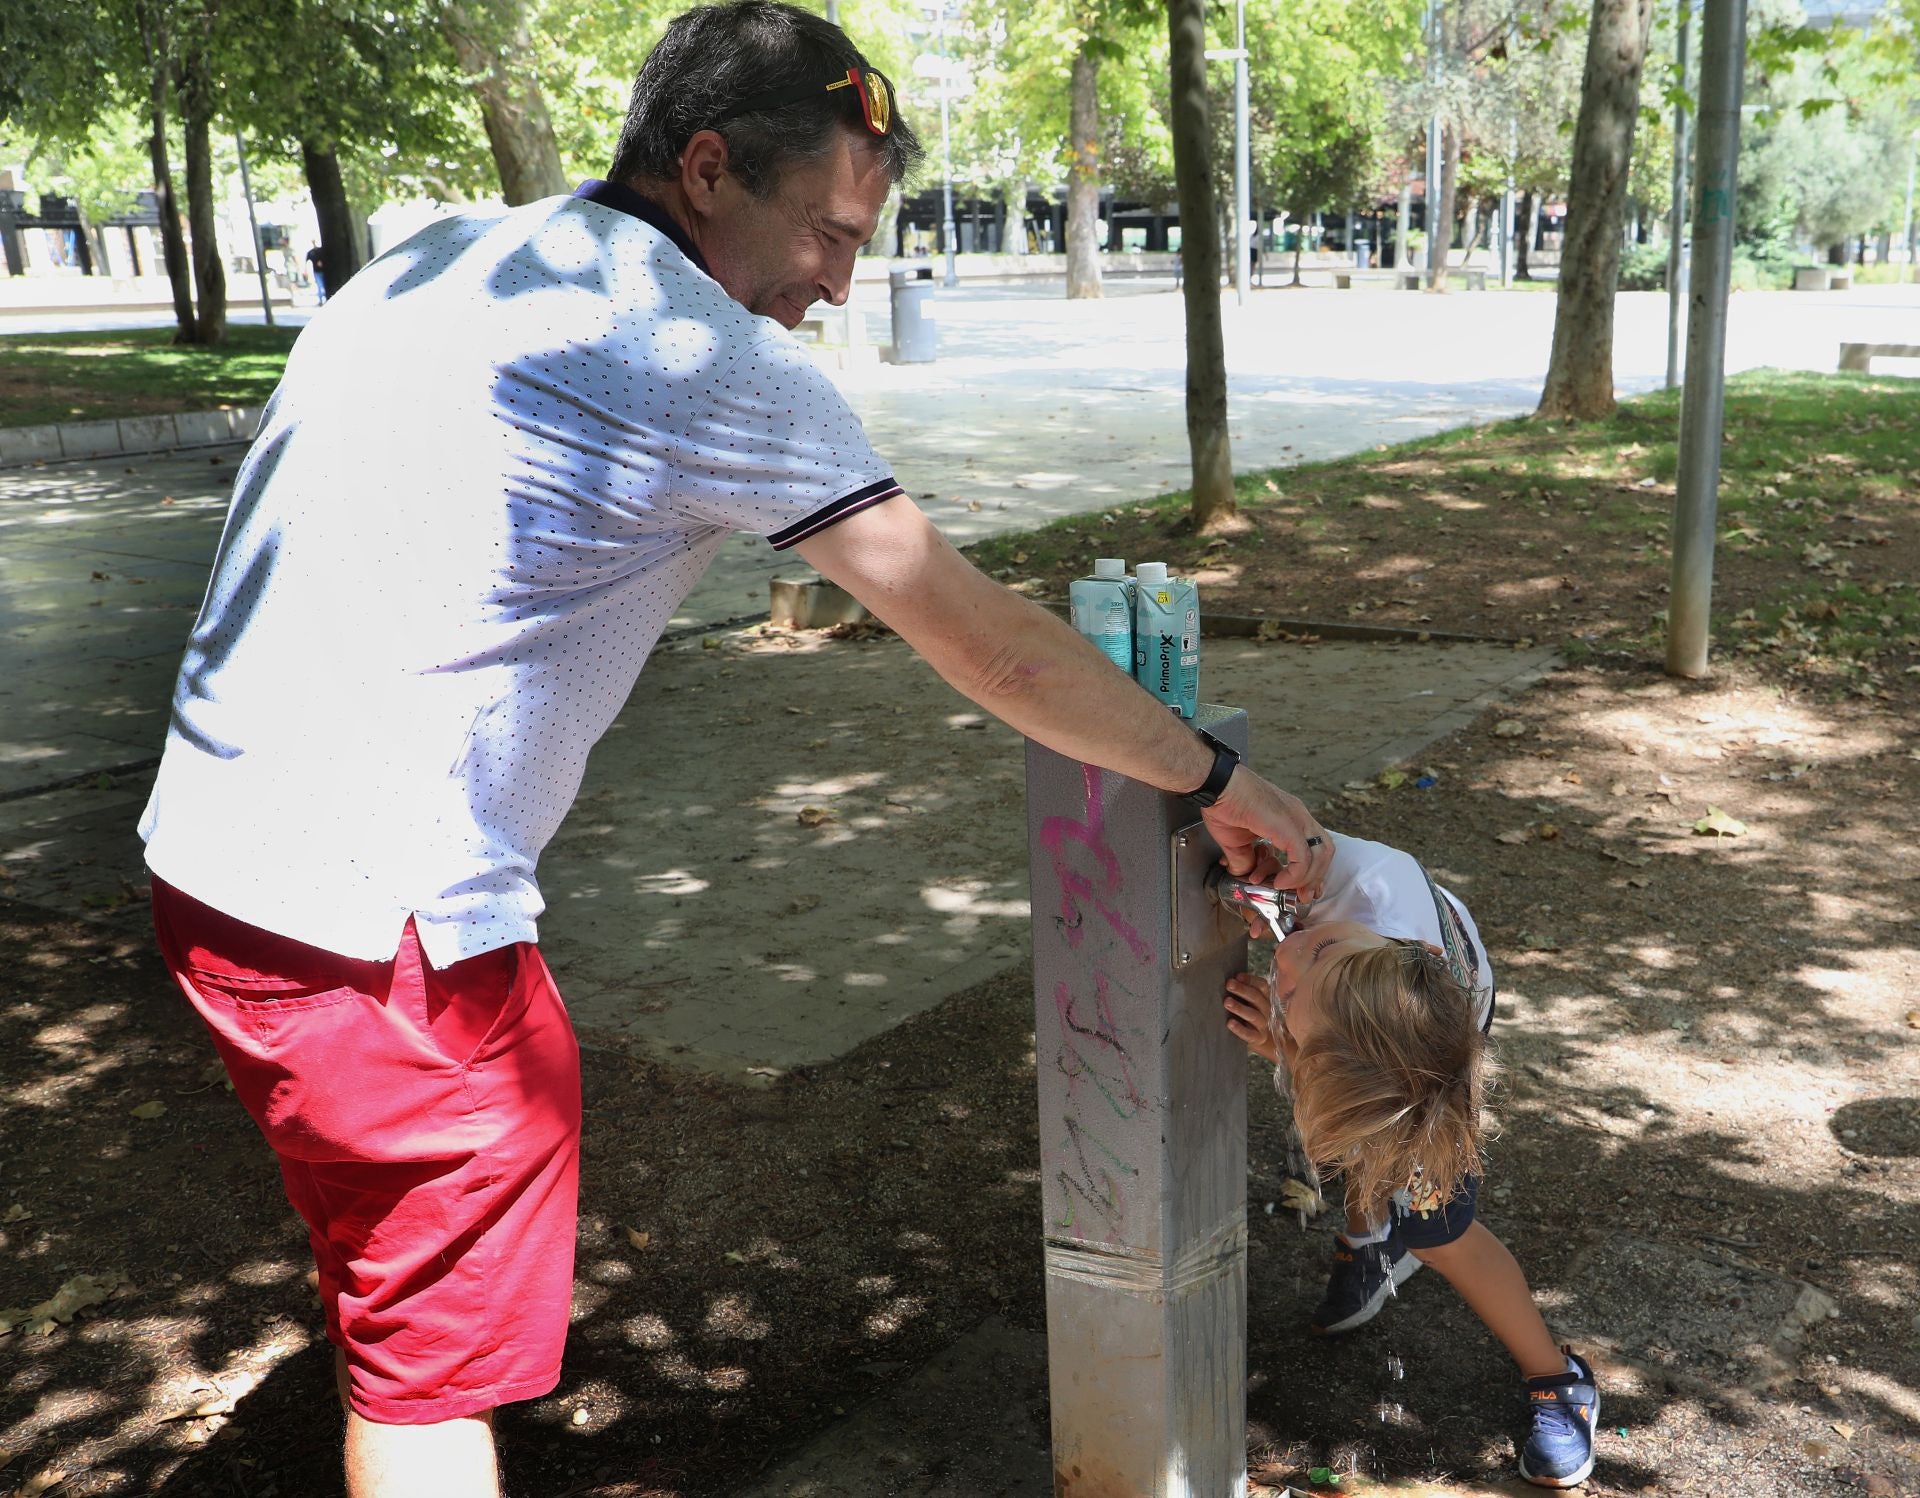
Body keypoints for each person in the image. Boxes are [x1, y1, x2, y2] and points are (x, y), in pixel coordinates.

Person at [138, 4, 1334, 1495]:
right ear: (706, 167)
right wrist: (1214, 776)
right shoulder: (698, 354)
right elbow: (989, 640)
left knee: (391, 1280)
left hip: (207, 864)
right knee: (429, 1376)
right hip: (385, 934)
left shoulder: (441, 252)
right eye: (828, 232)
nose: (840, 282)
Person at [1221, 831, 1600, 1489]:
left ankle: (1558, 1380)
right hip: (1389, 1009)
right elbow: (1270, 854)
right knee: (1359, 1142)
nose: (1287, 955)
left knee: (1437, 1226)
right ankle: (1369, 1240)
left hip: (1436, 1040)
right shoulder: (1351, 885)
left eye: (1308, 952)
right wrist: (1272, 900)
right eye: (1291, 968)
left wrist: (1283, 1047)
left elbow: (1347, 1081)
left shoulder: (1365, 930)